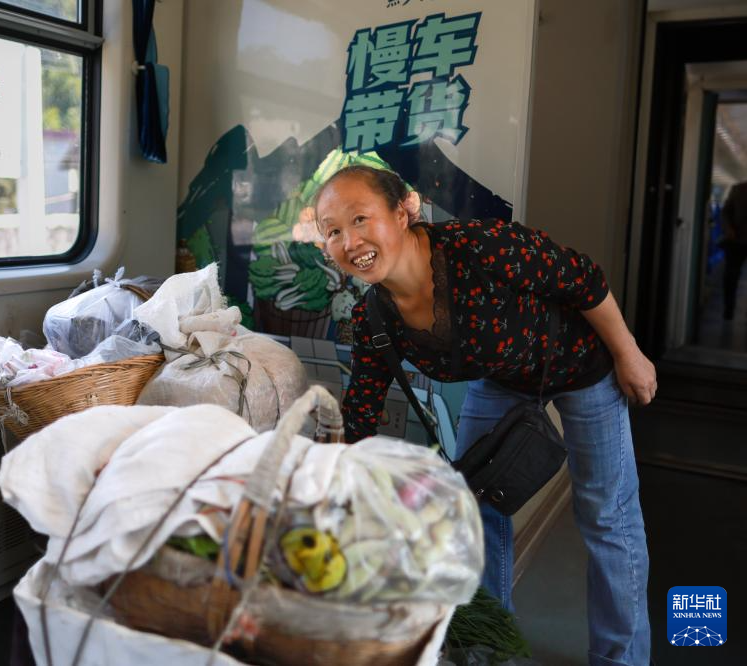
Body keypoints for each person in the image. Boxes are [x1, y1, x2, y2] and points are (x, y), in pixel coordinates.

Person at [312, 165, 654, 666]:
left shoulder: (481, 247)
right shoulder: (372, 318)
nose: (350, 241)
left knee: (608, 516)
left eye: (360, 219)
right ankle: (493, 653)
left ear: (403, 212)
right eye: (333, 231)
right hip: (502, 379)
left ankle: (622, 658)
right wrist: (327, 486)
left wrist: (629, 354)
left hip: (580, 364)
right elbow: (361, 410)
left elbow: (582, 278)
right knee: (470, 509)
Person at [720, 180, 747, 320]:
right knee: (731, 276)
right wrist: (728, 229)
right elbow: (725, 212)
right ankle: (728, 309)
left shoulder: (738, 189)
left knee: (731, 275)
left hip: (737, 240)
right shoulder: (738, 189)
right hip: (736, 240)